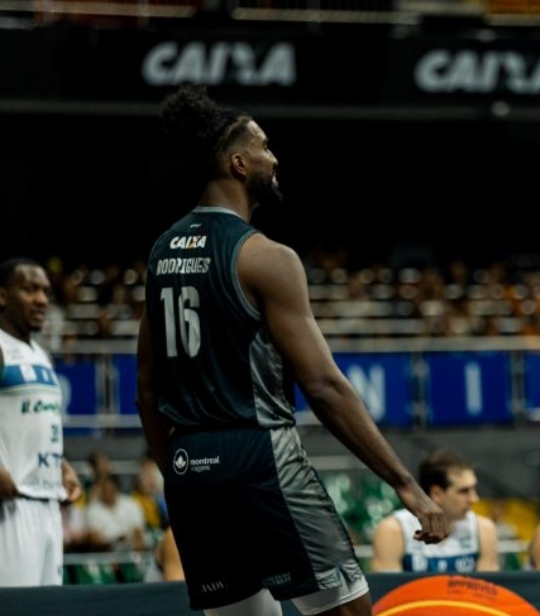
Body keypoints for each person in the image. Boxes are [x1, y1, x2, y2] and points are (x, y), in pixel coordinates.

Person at [135, 84, 448, 616]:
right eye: (264, 147)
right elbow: (324, 387)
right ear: (238, 164)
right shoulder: (265, 257)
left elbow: (147, 390)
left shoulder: (161, 253)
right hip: (258, 454)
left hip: (190, 466)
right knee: (348, 611)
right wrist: (406, 484)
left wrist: (180, 473)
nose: (273, 157)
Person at [0, 257, 83, 586]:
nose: (42, 300)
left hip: (49, 507)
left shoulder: (41, 355)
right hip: (11, 508)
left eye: (46, 292)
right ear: (3, 296)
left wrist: (62, 465)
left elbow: (34, 424)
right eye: (29, 289)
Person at [370, 448, 499, 573]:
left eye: (473, 489)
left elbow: (488, 592)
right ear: (436, 494)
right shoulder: (394, 530)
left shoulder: (484, 530)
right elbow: (387, 591)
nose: (474, 499)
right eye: (464, 491)